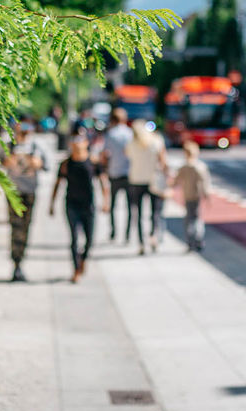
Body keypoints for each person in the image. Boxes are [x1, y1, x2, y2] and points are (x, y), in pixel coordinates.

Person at [49, 136, 109, 282]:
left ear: (86, 143)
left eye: (80, 140)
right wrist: (52, 203)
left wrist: (106, 201)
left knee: (90, 240)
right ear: (70, 144)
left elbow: (103, 182)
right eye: (74, 141)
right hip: (71, 204)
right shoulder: (65, 164)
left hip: (88, 205)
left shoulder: (93, 162)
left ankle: (83, 259)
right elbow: (58, 183)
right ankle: (76, 270)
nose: (77, 144)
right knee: (74, 239)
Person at [3, 122, 46, 282]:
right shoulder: (7, 145)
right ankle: (16, 263)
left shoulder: (36, 146)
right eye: (22, 132)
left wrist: (36, 162)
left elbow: (46, 165)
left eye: (27, 132)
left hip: (30, 192)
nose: (24, 135)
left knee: (26, 227)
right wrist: (9, 159)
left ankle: (21, 260)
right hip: (13, 192)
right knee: (15, 227)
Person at [125, 119, 168, 254]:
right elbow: (163, 162)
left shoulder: (131, 144)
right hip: (153, 180)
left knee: (137, 213)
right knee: (155, 212)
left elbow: (126, 156)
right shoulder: (156, 142)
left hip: (136, 179)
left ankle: (141, 243)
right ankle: (153, 235)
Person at [101, 108, 133, 242]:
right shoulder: (130, 134)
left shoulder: (110, 134)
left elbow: (105, 154)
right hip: (129, 173)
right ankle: (127, 234)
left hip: (114, 172)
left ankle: (113, 231)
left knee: (113, 206)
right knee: (130, 207)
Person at [173, 141, 212, 252]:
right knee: (197, 218)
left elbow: (176, 181)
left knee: (188, 219)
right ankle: (198, 240)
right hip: (197, 195)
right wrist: (207, 195)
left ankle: (190, 241)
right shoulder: (200, 166)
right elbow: (205, 182)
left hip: (187, 195)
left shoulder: (184, 167)